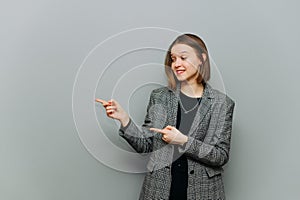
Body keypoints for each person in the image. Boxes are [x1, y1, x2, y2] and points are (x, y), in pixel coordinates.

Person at [96, 33, 235, 200]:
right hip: (158, 190)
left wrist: (183, 141)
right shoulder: (160, 97)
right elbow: (147, 145)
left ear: (201, 58)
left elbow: (220, 155)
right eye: (173, 59)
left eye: (183, 57)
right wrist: (124, 120)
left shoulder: (222, 103)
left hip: (204, 193)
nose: (176, 64)